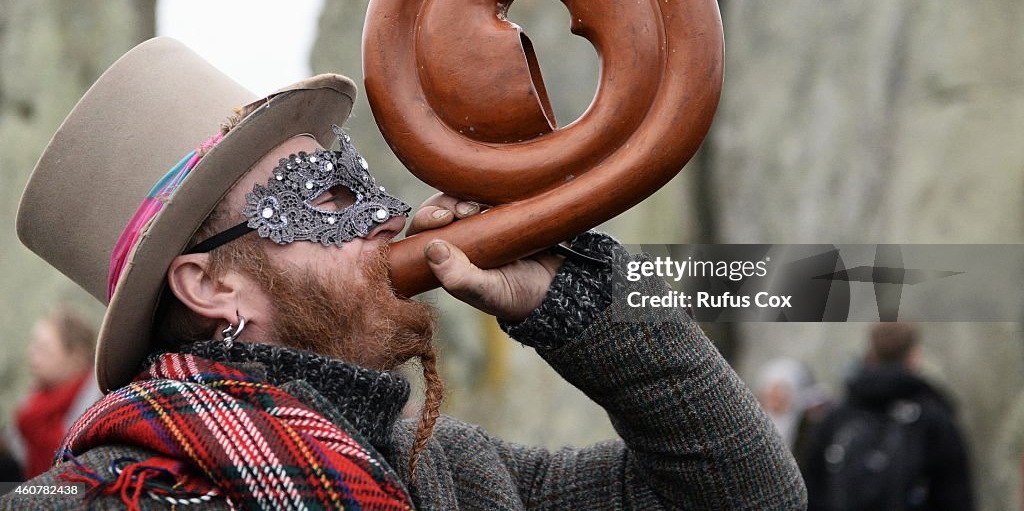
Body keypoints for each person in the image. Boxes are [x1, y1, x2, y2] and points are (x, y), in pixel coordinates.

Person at [4, 38, 806, 509]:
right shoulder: (96, 500)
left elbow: (748, 494)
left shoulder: (455, 472)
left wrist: (574, 294)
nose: (391, 213)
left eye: (362, 179)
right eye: (328, 196)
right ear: (212, 286)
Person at [803, 322, 973, 511]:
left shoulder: (838, 416)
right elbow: (955, 495)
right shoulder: (934, 418)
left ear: (871, 356)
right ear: (913, 357)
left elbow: (812, 489)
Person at [4, 309, 102, 480]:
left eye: (43, 348)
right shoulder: (35, 401)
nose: (31, 355)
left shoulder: (97, 408)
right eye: (33, 346)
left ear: (75, 356)